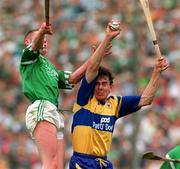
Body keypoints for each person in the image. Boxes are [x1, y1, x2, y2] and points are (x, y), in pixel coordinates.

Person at [69, 25, 169, 168]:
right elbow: (92, 68)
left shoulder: (115, 104)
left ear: (111, 87)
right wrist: (108, 38)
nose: (100, 87)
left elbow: (146, 99)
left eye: (104, 84)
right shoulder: (85, 99)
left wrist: (157, 72)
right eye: (97, 84)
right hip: (82, 162)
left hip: (103, 163)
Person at [19, 22, 112, 169]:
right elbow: (35, 46)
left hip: (54, 112)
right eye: (40, 38)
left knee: (57, 166)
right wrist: (42, 31)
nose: (44, 41)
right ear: (27, 42)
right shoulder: (28, 58)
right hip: (42, 108)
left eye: (46, 40)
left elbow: (73, 78)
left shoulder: (50, 68)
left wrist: (96, 57)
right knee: (50, 164)